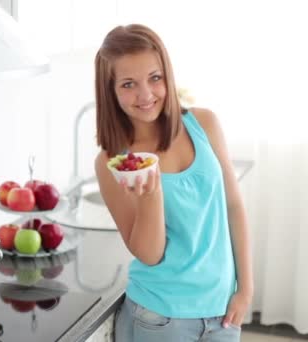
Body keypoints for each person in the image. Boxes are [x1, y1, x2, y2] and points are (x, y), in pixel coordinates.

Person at [93, 24, 253, 342]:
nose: (146, 95)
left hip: (223, 313)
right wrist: (150, 194)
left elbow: (233, 207)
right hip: (158, 318)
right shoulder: (114, 163)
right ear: (110, 90)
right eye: (128, 84)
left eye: (155, 78)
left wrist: (246, 289)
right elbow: (150, 255)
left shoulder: (204, 123)